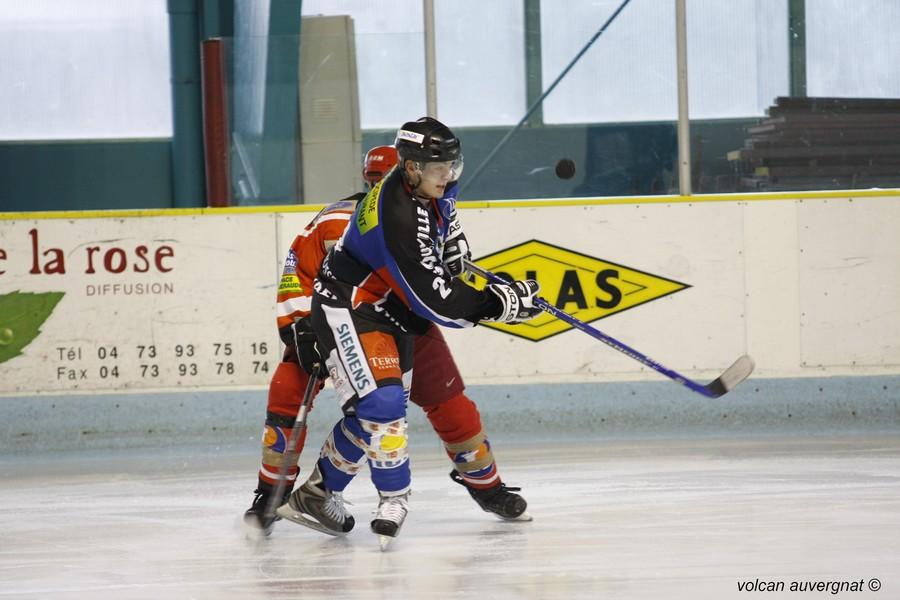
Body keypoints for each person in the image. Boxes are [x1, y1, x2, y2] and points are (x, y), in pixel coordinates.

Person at [244, 143, 534, 538]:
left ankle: (487, 486)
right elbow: (297, 270)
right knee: (287, 392)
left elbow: (442, 283)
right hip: (340, 319)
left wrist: (493, 296)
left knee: (452, 405)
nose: (385, 186)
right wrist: (298, 325)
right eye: (377, 180)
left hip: (408, 326)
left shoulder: (428, 216)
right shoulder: (336, 220)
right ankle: (269, 492)